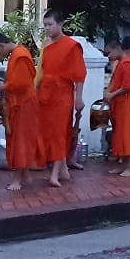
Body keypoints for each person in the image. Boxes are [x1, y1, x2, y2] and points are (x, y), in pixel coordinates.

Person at [0, 33, 45, 191]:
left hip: (24, 104)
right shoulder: (17, 54)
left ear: (2, 45)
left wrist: (3, 87)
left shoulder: (20, 55)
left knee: (21, 140)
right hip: (19, 103)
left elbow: (22, 83)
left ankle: (17, 179)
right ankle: (25, 174)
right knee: (20, 139)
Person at [37, 10, 86, 187]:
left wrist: (79, 98)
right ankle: (63, 169)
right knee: (47, 133)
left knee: (59, 133)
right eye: (45, 25)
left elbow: (80, 74)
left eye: (50, 25)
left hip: (62, 94)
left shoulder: (72, 46)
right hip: (45, 93)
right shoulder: (46, 45)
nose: (47, 28)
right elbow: (41, 71)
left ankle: (55, 174)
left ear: (61, 24)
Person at [104, 38, 130, 177]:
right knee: (119, 135)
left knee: (127, 135)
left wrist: (112, 95)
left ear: (117, 49)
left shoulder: (127, 64)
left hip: (126, 104)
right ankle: (122, 165)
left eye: (109, 52)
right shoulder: (120, 64)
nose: (108, 56)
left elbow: (128, 86)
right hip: (119, 104)